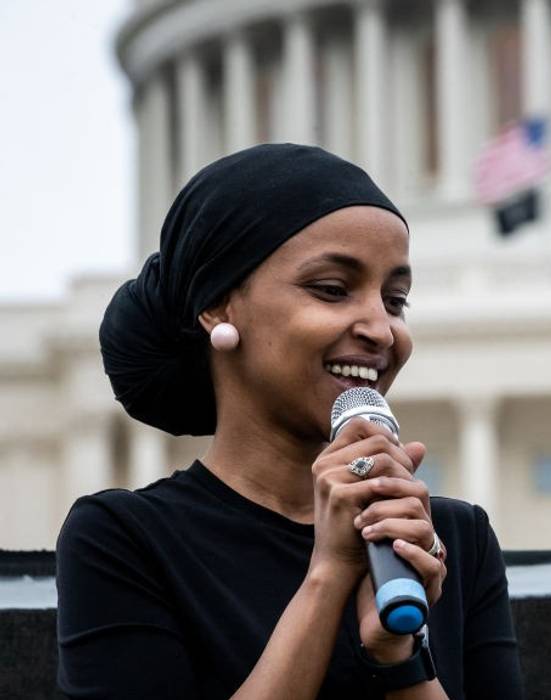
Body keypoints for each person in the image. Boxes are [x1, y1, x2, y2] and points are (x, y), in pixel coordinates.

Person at [56, 144, 523, 699]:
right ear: (219, 306)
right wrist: (327, 577)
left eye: (396, 300)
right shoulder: (124, 539)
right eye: (332, 289)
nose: (380, 328)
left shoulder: (451, 542)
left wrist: (398, 657)